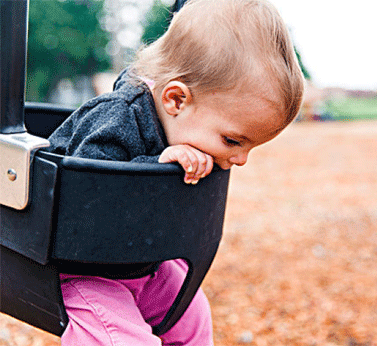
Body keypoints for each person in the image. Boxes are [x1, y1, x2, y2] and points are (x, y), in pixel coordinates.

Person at [48, 0, 304, 344]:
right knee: (120, 338)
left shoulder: (182, 123)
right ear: (177, 100)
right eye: (232, 140)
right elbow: (87, 194)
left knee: (191, 313)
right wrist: (155, 167)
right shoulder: (115, 116)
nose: (241, 159)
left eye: (250, 147)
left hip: (140, 263)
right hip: (79, 269)